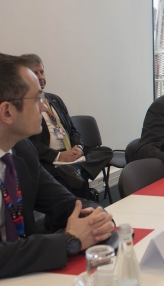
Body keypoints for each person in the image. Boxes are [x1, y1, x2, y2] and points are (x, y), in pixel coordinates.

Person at [0, 52, 115, 286]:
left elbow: (67, 203)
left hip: (24, 278)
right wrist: (67, 241)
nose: (44, 106)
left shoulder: (21, 148)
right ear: (7, 112)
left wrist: (97, 216)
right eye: (37, 99)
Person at [20, 54, 112, 200]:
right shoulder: (22, 105)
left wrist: (78, 148)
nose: (40, 77)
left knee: (104, 151)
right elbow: (28, 143)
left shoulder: (55, 99)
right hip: (48, 158)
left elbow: (72, 130)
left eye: (42, 72)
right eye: (35, 73)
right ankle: (83, 196)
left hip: (69, 152)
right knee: (74, 182)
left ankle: (75, 169)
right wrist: (59, 156)